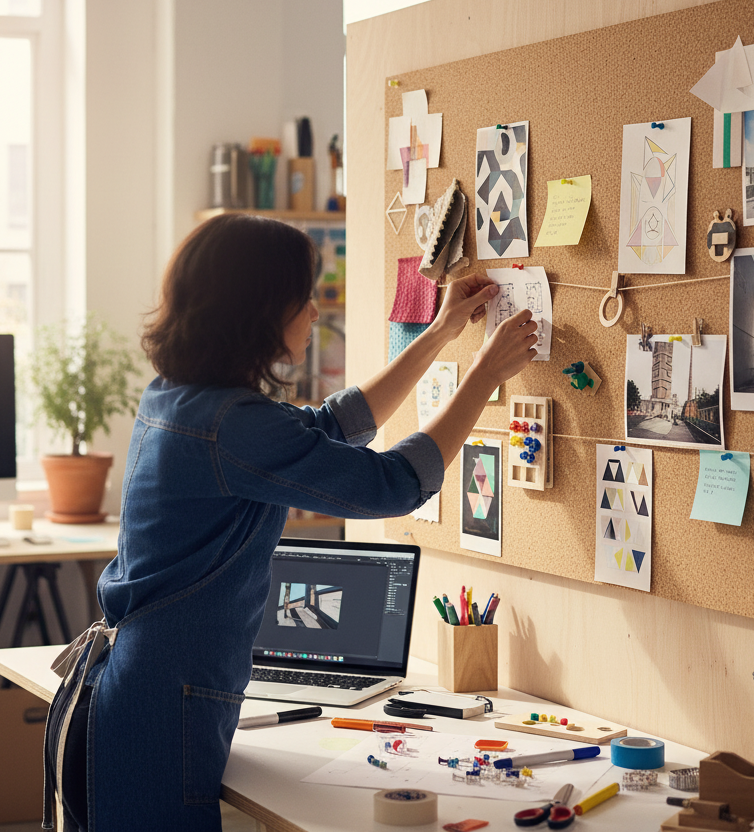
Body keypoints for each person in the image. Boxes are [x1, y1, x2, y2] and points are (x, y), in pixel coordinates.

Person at [43, 213, 537, 831]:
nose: (313, 313)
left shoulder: (179, 396)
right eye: (302, 299)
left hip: (136, 690)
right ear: (258, 312)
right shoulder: (229, 424)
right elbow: (389, 484)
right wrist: (485, 376)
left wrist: (439, 334)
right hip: (161, 703)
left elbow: (328, 427)